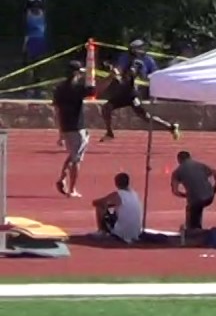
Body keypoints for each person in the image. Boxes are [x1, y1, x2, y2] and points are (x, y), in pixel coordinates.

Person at [100, 59, 180, 142]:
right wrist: (112, 75)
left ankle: (171, 127)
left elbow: (128, 77)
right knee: (106, 108)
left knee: (146, 117)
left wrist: (119, 75)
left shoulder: (133, 65)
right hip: (121, 96)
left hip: (131, 96)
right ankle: (109, 133)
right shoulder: (121, 63)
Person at [53, 61, 95, 198]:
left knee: (72, 154)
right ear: (76, 72)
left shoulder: (60, 88)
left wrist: (60, 132)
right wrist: (110, 77)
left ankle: (62, 177)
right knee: (76, 159)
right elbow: (94, 90)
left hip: (66, 126)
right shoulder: (77, 88)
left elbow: (58, 111)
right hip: (77, 127)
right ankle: (71, 188)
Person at [170, 151, 216, 236]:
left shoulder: (177, 172)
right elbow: (215, 173)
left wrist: (185, 195)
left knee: (192, 207)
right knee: (197, 207)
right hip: (209, 196)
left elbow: (175, 191)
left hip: (196, 199)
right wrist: (214, 188)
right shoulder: (201, 165)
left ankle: (192, 231)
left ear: (179, 160)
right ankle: (197, 227)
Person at [91, 172, 143, 244]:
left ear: (116, 183)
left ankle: (102, 231)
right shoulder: (135, 194)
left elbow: (97, 202)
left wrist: (107, 205)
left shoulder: (118, 194)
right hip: (136, 232)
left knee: (100, 207)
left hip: (121, 232)